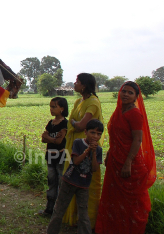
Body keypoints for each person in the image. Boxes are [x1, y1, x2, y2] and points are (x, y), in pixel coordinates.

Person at [95, 81, 156, 234]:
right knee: (113, 199)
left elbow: (137, 140)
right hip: (115, 160)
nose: (126, 94)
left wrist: (128, 162)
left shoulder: (135, 113)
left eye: (130, 92)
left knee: (130, 204)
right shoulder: (119, 111)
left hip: (129, 163)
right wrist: (110, 152)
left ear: (136, 96)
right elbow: (115, 136)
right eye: (124, 91)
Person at [47, 119, 103, 234]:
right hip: (69, 181)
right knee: (59, 210)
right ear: (86, 132)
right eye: (92, 132)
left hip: (84, 185)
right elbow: (76, 161)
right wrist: (87, 151)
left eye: (99, 134)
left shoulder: (98, 150)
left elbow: (94, 169)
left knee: (83, 214)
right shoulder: (78, 142)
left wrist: (93, 153)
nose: (95, 136)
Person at [62, 73, 104, 228]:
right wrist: (74, 122)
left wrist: (73, 122)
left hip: (87, 145)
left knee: (86, 181)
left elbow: (81, 125)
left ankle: (89, 222)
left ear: (84, 85)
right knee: (72, 178)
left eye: (77, 82)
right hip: (75, 145)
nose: (74, 84)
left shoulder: (93, 102)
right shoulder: (79, 101)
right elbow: (75, 122)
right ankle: (73, 218)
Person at [38, 97, 69, 216]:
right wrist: (52, 139)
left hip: (60, 156)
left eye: (54, 107)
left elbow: (59, 142)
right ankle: (49, 209)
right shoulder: (51, 123)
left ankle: (60, 212)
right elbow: (43, 139)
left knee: (61, 182)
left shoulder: (65, 123)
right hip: (50, 156)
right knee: (51, 182)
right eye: (50, 106)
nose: (51, 109)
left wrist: (49, 138)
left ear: (62, 108)